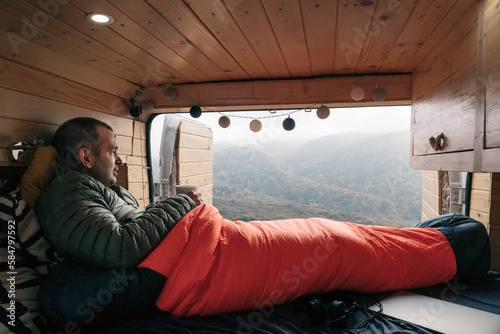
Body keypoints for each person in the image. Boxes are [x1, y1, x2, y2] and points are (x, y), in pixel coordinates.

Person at [34, 117, 200, 330]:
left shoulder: (104, 191)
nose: (119, 160)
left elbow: (135, 223)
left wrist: (160, 208)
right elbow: (119, 247)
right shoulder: (67, 190)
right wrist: (182, 203)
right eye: (112, 151)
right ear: (86, 157)